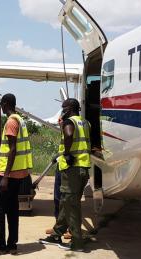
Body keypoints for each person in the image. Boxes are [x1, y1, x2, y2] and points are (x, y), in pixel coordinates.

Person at [0, 93, 33, 257]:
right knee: (12, 208)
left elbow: (12, 149)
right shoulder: (21, 120)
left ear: (5, 104)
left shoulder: (11, 121)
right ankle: (12, 245)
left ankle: (0, 246)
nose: (0, 107)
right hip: (19, 173)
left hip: (9, 174)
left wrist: (5, 176)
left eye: (1, 104)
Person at [39, 98, 91, 252]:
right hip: (83, 168)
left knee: (71, 205)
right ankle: (56, 234)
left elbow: (68, 135)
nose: (62, 110)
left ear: (70, 108)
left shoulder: (69, 122)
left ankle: (77, 242)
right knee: (66, 202)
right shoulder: (85, 123)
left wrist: (67, 154)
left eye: (64, 107)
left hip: (72, 169)